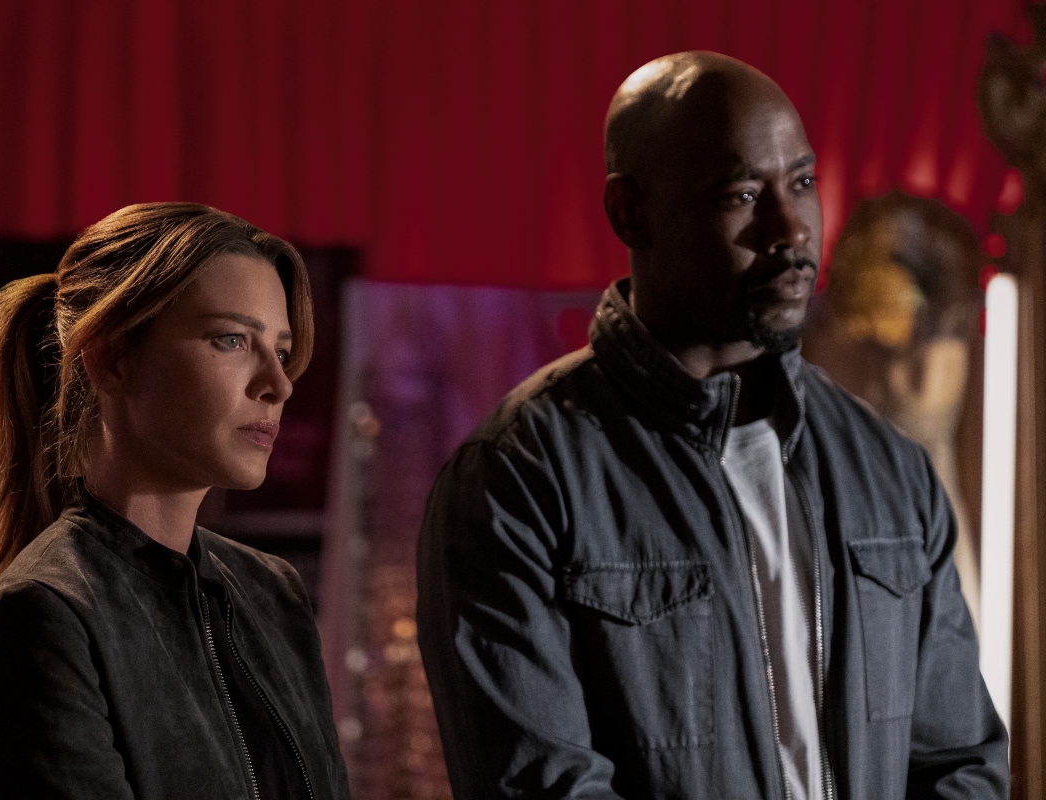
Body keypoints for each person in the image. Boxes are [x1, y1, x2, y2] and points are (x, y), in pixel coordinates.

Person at [417, 52, 1007, 799]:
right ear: (630, 212)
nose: (790, 230)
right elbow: (541, 785)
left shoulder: (888, 467)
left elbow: (960, 764)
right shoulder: (519, 477)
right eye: (743, 194)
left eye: (801, 183)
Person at [0, 203, 350, 799]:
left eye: (282, 351)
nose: (279, 384)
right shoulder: (45, 614)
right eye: (232, 340)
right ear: (111, 360)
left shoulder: (272, 593)